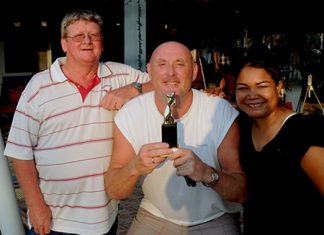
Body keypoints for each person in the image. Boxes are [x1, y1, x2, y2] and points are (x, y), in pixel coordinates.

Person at [4, 9, 151, 235]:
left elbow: (165, 85)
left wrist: (133, 88)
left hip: (104, 218)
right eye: (78, 36)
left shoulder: (120, 75)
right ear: (64, 43)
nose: (87, 41)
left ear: (102, 42)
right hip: (54, 220)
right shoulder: (39, 86)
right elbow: (20, 151)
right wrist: (35, 205)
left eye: (94, 35)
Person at [105, 41, 247, 234]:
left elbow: (241, 192)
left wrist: (207, 173)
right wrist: (135, 166)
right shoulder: (131, 113)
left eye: (180, 64)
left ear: (195, 71)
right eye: (162, 64)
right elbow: (113, 190)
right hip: (155, 214)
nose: (171, 73)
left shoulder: (219, 112)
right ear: (149, 71)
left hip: (214, 217)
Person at [235, 53, 324, 235]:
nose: (252, 95)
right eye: (243, 88)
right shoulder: (242, 127)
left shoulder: (302, 131)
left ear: (279, 86)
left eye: (262, 86)